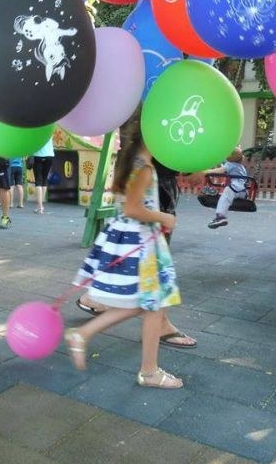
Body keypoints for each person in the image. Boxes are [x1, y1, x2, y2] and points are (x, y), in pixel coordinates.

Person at [65, 111, 193, 388]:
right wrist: (164, 217)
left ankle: (85, 335)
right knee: (152, 305)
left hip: (134, 240)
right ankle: (148, 371)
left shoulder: (133, 160)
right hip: (141, 245)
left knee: (148, 306)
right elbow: (133, 208)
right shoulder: (144, 167)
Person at [207, 147, 249, 229]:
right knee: (226, 194)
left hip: (235, 188)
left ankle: (220, 217)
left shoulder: (230, 165)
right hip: (243, 192)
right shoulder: (240, 166)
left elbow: (219, 170)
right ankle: (215, 193)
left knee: (226, 195)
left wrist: (206, 171)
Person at [32, 135, 54, 214]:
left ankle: (40, 207)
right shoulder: (50, 128)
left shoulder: (36, 129)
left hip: (38, 155)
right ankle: (41, 206)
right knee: (44, 180)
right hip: (49, 155)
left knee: (38, 181)